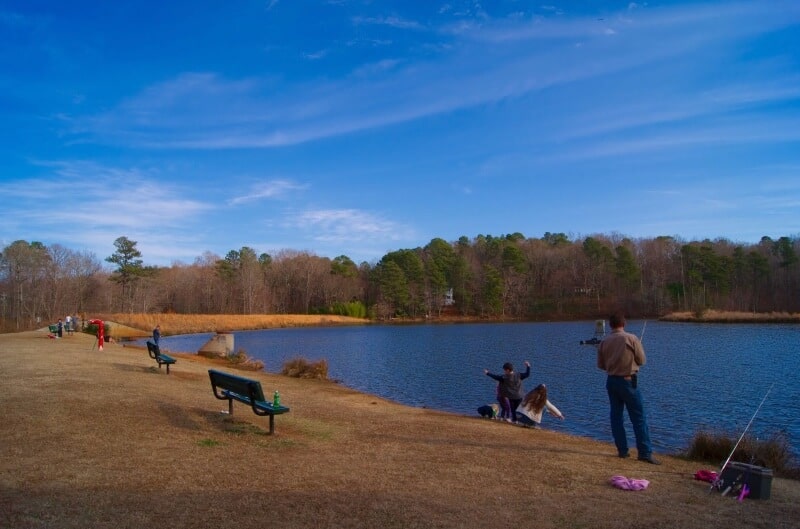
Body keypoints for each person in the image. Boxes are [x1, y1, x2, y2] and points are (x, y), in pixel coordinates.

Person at [597, 312, 659, 464]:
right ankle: (644, 452)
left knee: (616, 417)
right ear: (623, 324)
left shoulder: (604, 341)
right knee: (638, 417)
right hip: (627, 381)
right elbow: (642, 360)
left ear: (610, 325)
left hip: (611, 382)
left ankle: (622, 451)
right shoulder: (631, 338)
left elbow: (600, 365)